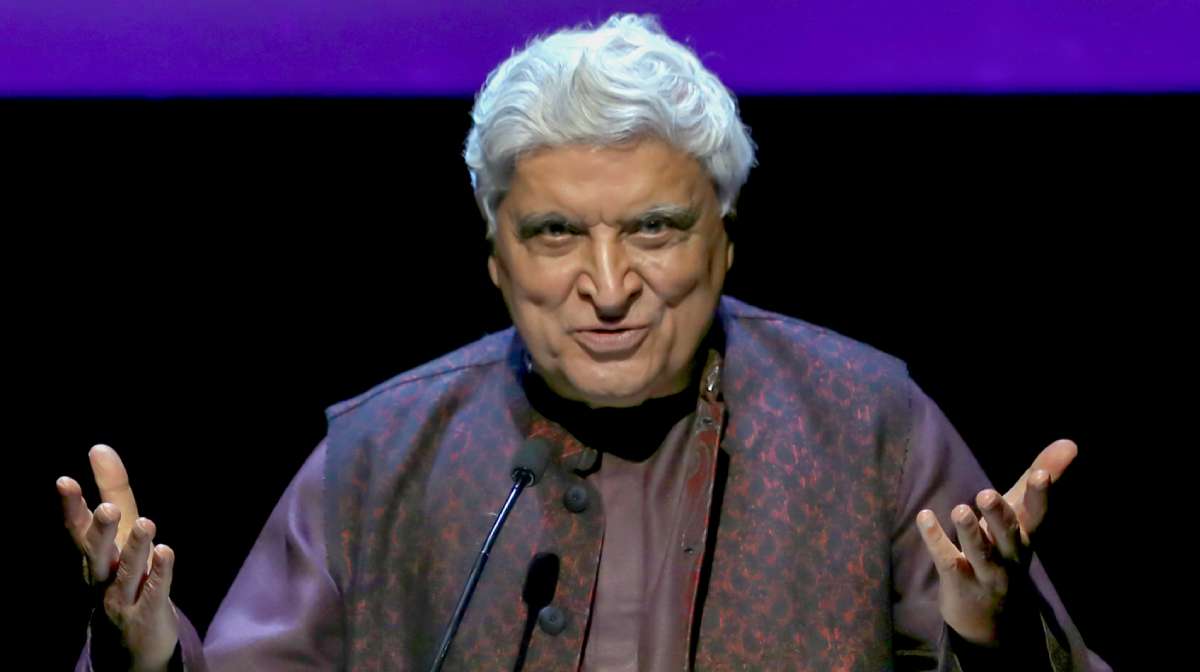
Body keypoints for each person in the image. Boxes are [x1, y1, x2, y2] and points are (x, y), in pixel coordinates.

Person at [59, 13, 1109, 671]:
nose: (609, 288)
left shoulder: (866, 420)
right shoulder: (380, 454)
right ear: (497, 262)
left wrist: (995, 641)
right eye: (558, 234)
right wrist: (144, 653)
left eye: (654, 228)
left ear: (726, 245)